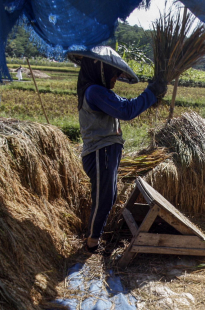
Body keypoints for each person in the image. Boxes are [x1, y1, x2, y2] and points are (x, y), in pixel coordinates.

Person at [68, 46, 167, 252]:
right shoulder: (94, 91)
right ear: (101, 70)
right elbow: (126, 110)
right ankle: (91, 244)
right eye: (113, 73)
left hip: (106, 153)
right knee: (103, 198)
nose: (115, 79)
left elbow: (124, 106)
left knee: (109, 196)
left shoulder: (98, 91)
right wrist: (151, 93)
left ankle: (94, 238)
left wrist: (151, 96)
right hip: (99, 153)